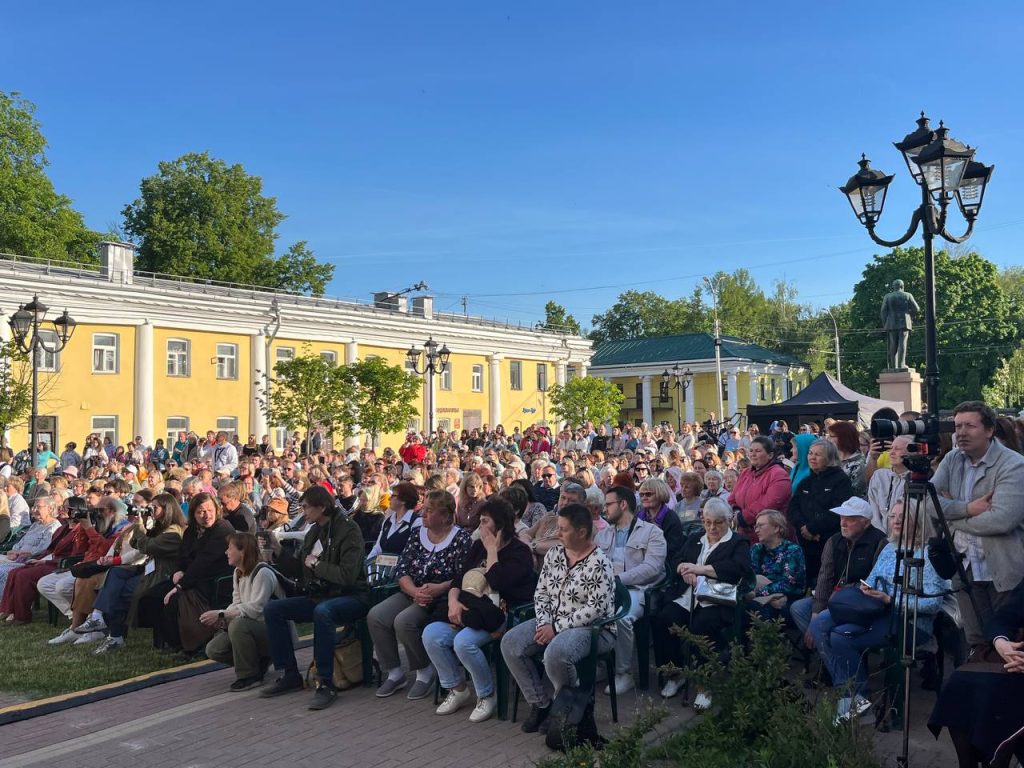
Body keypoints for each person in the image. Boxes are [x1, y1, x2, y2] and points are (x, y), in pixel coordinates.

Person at [815, 500, 948, 723]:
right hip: (877, 612)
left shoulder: (928, 554)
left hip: (911, 622)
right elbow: (872, 581)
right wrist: (866, 589)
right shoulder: (889, 547)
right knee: (823, 624)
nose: (896, 521)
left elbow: (932, 604)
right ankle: (852, 697)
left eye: (903, 516)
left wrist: (890, 598)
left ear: (918, 520)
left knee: (841, 636)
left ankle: (857, 702)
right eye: (892, 516)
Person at [500, 503, 616, 735]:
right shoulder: (554, 554)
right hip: (552, 620)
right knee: (511, 643)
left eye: (563, 529)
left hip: (593, 628)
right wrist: (544, 623)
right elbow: (541, 592)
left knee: (556, 653)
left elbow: (595, 609)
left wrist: (556, 627)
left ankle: (567, 710)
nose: (557, 534)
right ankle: (541, 704)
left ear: (582, 532)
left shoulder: (599, 563)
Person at [423, 497, 535, 722]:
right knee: (431, 635)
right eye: (480, 521)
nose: (479, 527)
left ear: (500, 525)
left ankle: (486, 695)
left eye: (485, 522)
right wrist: (453, 602)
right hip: (470, 610)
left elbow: (498, 583)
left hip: (501, 614)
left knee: (464, 642)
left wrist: (492, 549)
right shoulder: (476, 547)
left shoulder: (520, 552)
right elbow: (458, 580)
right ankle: (457, 688)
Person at [259, 485, 368, 709]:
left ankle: (326, 682)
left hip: (352, 596)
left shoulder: (349, 530)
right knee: (274, 610)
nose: (304, 512)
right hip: (322, 595)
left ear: (322, 507)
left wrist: (317, 564)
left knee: (323, 612)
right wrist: (278, 550)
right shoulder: (315, 530)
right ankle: (290, 674)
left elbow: (347, 576)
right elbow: (301, 568)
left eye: (307, 508)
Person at [929, 401, 1024, 649]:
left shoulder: (1013, 465)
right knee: (976, 643)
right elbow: (929, 503)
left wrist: (951, 515)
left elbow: (1002, 520)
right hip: (965, 567)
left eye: (970, 425)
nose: (961, 432)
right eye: (958, 425)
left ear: (989, 430)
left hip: (1003, 570)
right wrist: (968, 509)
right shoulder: (951, 460)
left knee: (1006, 643)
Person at [368, 489, 472, 700]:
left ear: (444, 516)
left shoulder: (460, 538)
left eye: (429, 511)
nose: (423, 514)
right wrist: (414, 591)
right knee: (376, 615)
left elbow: (464, 575)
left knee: (404, 621)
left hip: (442, 597)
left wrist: (440, 588)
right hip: (413, 591)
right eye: (423, 509)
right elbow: (403, 569)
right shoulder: (417, 534)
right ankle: (395, 671)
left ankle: (424, 670)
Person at [652, 498, 753, 702]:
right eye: (708, 522)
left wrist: (701, 570)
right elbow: (677, 558)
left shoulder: (738, 542)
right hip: (688, 595)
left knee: (702, 625)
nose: (712, 527)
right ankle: (675, 673)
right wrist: (684, 570)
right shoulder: (695, 537)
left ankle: (704, 683)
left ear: (729, 520)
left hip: (717, 599)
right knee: (664, 619)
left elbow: (737, 568)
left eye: (718, 522)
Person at [929, 577, 1024, 768]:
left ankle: (997, 760)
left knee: (997, 693)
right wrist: (1001, 642)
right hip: (1016, 656)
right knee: (961, 683)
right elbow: (1003, 618)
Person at [78, 494, 187, 653]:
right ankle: (97, 617)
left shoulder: (174, 532)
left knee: (119, 592)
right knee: (115, 574)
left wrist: (140, 526)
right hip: (150, 569)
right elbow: (137, 544)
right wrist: (142, 523)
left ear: (168, 510)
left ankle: (115, 636)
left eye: (155, 508)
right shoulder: (161, 526)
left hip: (163, 574)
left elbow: (148, 546)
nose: (151, 510)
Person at [135, 492, 233, 655]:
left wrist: (180, 585)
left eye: (210, 510)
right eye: (201, 512)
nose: (206, 515)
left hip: (211, 580)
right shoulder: (191, 531)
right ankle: (164, 641)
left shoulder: (222, 529)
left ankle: (183, 644)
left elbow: (203, 562)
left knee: (172, 599)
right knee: (152, 596)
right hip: (189, 576)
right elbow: (182, 555)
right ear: (193, 514)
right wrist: (178, 571)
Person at [596, 485, 667, 695]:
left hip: (638, 590)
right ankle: (600, 665)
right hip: (608, 589)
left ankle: (623, 673)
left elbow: (653, 568)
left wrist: (619, 580)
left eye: (608, 504)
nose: (604, 510)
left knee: (621, 618)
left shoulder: (652, 532)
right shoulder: (603, 534)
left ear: (623, 504)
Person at [793, 496, 888, 641]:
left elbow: (875, 583)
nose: (843, 523)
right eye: (841, 517)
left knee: (822, 620)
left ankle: (828, 647)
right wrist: (816, 613)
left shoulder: (879, 542)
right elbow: (825, 578)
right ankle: (824, 647)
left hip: (860, 600)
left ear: (866, 522)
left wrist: (842, 594)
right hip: (834, 596)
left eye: (850, 519)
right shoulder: (834, 541)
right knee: (799, 608)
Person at [203, 533, 283, 690]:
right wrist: (223, 617)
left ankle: (249, 675)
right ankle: (259, 663)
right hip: (254, 627)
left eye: (230, 548)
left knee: (238, 625)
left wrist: (222, 614)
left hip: (277, 631)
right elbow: (237, 602)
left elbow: (257, 609)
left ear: (243, 551)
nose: (226, 552)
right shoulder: (238, 572)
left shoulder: (263, 573)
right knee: (213, 649)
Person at [789, 439, 854, 581]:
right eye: (810, 453)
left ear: (830, 458)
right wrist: (803, 528)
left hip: (828, 541)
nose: (812, 457)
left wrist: (812, 528)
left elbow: (839, 509)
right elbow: (793, 507)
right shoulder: (806, 481)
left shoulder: (840, 480)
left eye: (818, 454)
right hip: (805, 541)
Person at [729, 436, 792, 542]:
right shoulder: (745, 473)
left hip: (770, 536)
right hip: (744, 533)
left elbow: (769, 503)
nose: (753, 454)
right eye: (751, 451)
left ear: (770, 455)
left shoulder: (779, 474)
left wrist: (742, 517)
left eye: (758, 451)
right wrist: (736, 511)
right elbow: (733, 497)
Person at [748, 509, 806, 622]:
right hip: (761, 597)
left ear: (776, 528)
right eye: (755, 526)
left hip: (788, 599)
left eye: (761, 525)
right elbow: (749, 576)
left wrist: (757, 593)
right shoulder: (757, 549)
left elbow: (788, 584)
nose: (756, 530)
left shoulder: (792, 550)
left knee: (757, 610)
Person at [635, 477, 686, 567]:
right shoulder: (639, 517)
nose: (644, 498)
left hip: (664, 564)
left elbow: (673, 550)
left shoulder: (671, 518)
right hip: (639, 561)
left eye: (648, 494)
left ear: (660, 494)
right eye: (641, 495)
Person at [866, 436, 911, 533]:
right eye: (891, 448)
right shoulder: (879, 476)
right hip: (880, 538)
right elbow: (874, 513)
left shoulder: (915, 480)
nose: (892, 452)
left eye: (898, 449)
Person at [366, 481, 421, 560]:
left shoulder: (416, 522)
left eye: (393, 496)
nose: (389, 498)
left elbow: (412, 554)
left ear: (403, 500)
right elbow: (378, 548)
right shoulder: (388, 521)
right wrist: (367, 564)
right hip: (382, 569)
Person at [827, 420, 867, 497]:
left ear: (844, 438)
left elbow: (853, 493)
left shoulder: (859, 464)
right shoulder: (830, 459)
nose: (828, 439)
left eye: (832, 436)